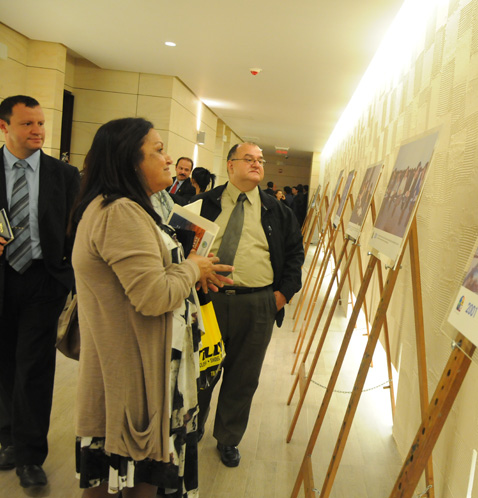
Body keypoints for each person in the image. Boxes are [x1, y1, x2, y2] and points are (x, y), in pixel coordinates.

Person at [69, 117, 232, 497]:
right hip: (135, 373)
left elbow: (145, 277)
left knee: (128, 476)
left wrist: (192, 271)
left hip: (139, 365)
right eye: (157, 150)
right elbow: (153, 296)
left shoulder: (128, 208)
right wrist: (193, 268)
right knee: (133, 475)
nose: (168, 157)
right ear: (129, 160)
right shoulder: (121, 212)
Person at [194, 142, 304, 468]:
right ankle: (191, 429)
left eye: (260, 160)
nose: (257, 164)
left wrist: (282, 295)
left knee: (243, 376)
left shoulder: (277, 211)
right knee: (200, 372)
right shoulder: (204, 204)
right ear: (230, 166)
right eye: (249, 159)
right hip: (208, 301)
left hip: (257, 304)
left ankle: (228, 439)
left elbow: (295, 256)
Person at [0, 95, 80, 489]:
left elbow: (77, 229)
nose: (37, 131)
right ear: (4, 127)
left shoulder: (63, 174)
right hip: (1, 276)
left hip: (43, 279)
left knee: (34, 366)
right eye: (27, 124)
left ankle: (31, 455)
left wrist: (67, 276)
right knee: (3, 362)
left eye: (41, 123)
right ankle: (8, 438)